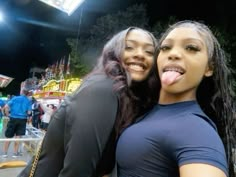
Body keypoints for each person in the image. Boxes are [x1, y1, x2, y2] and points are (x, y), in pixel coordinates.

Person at [18, 27, 158, 177]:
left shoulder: (127, 97)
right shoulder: (102, 89)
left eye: (149, 52)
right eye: (129, 47)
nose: (140, 54)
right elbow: (77, 171)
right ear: (113, 53)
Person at [116, 20, 236, 177]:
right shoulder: (144, 108)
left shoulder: (197, 132)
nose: (173, 54)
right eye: (165, 48)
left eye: (191, 48)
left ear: (209, 67)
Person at [1, 88, 32, 158]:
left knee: (8, 136)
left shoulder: (15, 98)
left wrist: (7, 114)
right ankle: (15, 154)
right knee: (18, 137)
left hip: (13, 118)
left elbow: (6, 107)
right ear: (27, 93)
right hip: (22, 120)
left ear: (21, 92)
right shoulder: (28, 101)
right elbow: (29, 112)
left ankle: (5, 153)